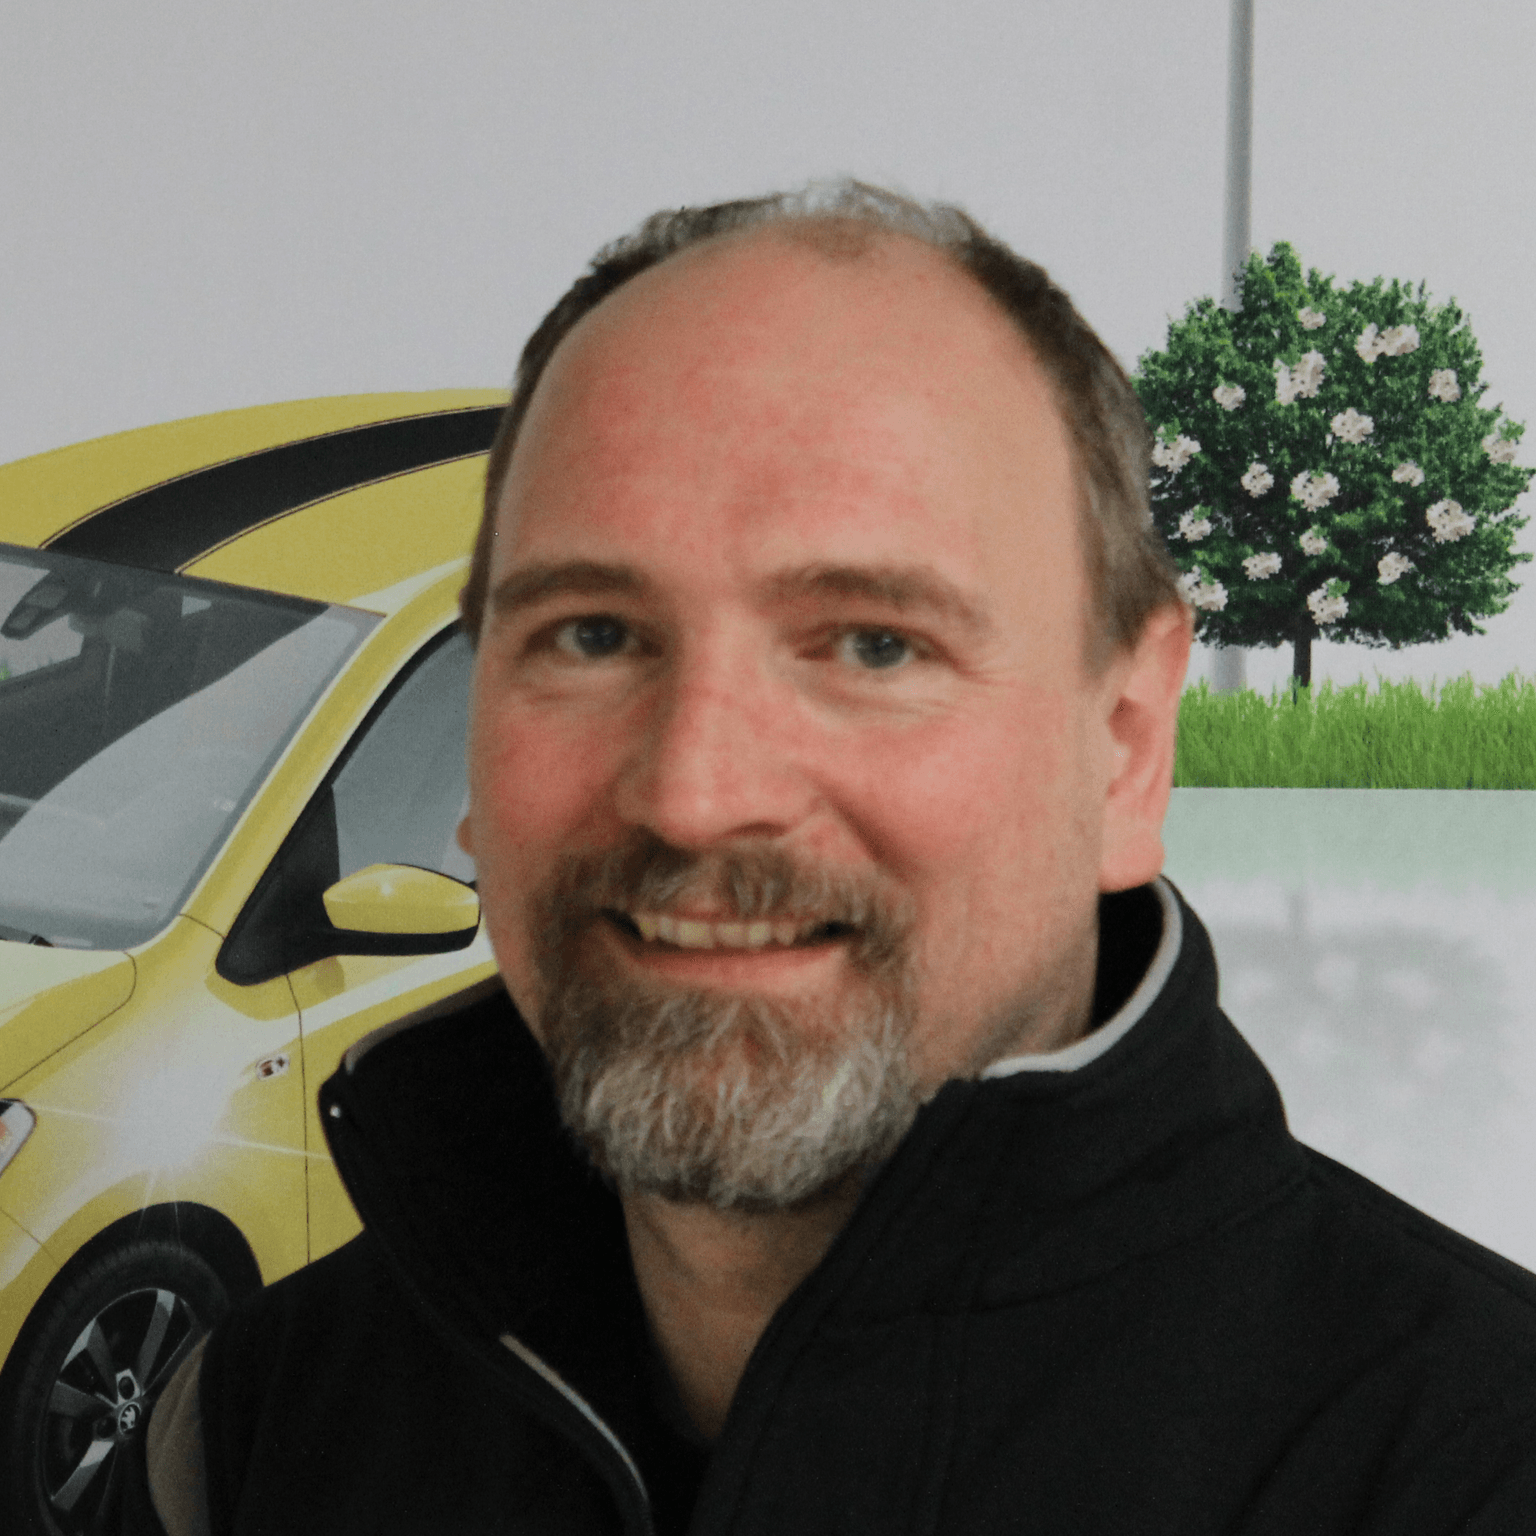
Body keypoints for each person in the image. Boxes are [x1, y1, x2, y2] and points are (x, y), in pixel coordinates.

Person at [126, 183, 1536, 1534]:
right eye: (593, 635)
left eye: (873, 645)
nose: (694, 795)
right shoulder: (255, 1429)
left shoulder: (1478, 1469)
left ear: (1124, 746)